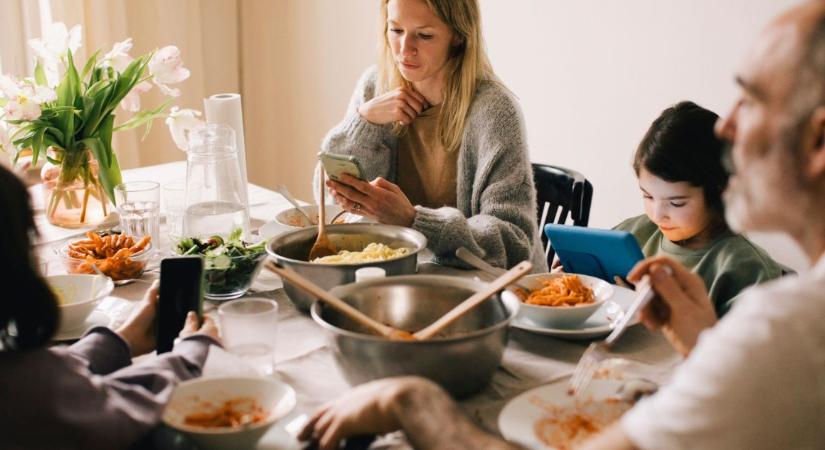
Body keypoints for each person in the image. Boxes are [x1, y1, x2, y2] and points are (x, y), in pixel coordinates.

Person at [298, 2, 825, 449]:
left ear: (817, 144)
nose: (726, 126)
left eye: (751, 99)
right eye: (395, 31)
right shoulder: (780, 328)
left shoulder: (783, 328)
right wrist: (706, 350)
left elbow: (509, 242)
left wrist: (409, 400)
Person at [0, 165, 221, 449]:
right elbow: (115, 410)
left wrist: (120, 342)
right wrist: (191, 353)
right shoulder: (26, 392)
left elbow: (51, 379)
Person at [318, 0, 546, 271]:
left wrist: (413, 220)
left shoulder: (495, 110)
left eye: (424, 35)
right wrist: (364, 120)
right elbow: (328, 203)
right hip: (404, 277)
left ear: (459, 36)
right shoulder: (375, 86)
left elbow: (512, 241)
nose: (404, 49)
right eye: (395, 30)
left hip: (492, 289)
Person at [614, 101, 785, 316]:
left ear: (718, 193)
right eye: (647, 196)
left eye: (676, 203)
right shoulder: (633, 234)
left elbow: (735, 348)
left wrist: (648, 317)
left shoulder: (743, 270)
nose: (657, 215)